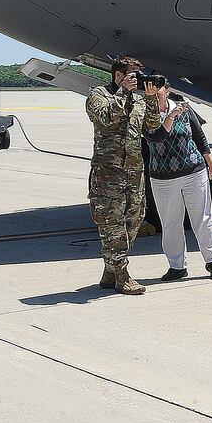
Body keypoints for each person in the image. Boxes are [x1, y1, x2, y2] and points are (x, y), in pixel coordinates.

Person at [86, 57, 162, 294]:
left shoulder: (139, 99)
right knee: (112, 224)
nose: (137, 79)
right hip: (108, 174)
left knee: (134, 221)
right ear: (118, 75)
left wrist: (150, 98)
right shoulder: (99, 95)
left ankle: (110, 270)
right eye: (132, 75)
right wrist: (122, 93)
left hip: (134, 171)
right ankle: (122, 275)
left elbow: (152, 125)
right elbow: (106, 118)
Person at [145, 81, 212, 281]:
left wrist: (211, 164)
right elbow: (156, 137)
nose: (155, 94)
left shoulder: (185, 110)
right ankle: (177, 266)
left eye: (159, 90)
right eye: (151, 91)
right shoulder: (146, 114)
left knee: (203, 218)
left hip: (193, 171)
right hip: (163, 178)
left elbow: (200, 138)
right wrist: (170, 117)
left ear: (167, 91)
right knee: (171, 222)